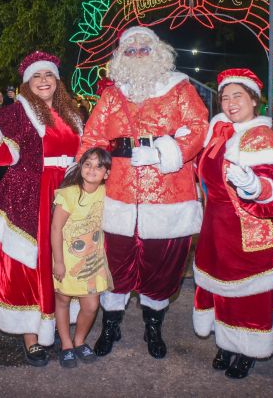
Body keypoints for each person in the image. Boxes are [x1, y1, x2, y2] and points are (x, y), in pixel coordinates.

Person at [79, 26, 209, 359]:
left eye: (144, 50)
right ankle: (111, 325)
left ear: (159, 52)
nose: (138, 56)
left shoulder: (180, 88)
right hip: (118, 194)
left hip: (169, 193)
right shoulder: (111, 95)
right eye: (131, 51)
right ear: (121, 56)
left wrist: (165, 153)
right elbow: (93, 136)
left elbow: (198, 127)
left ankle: (154, 327)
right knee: (114, 263)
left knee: (161, 265)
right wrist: (92, 172)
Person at [193, 68, 273, 379]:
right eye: (225, 97)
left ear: (253, 100)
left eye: (238, 96)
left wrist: (253, 186)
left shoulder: (263, 137)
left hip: (248, 225)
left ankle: (248, 348)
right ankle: (227, 342)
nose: (231, 103)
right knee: (219, 287)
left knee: (249, 291)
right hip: (215, 223)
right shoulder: (218, 129)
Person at [0, 50, 83, 366]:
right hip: (30, 194)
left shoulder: (72, 112)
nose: (44, 81)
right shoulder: (16, 112)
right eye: (37, 76)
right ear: (26, 83)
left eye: (48, 75)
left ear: (57, 80)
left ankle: (60, 329)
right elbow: (7, 157)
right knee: (28, 265)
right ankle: (31, 336)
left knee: (62, 262)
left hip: (68, 191)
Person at [51, 147, 113, 368]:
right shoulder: (68, 194)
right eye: (88, 164)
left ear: (106, 173)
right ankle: (66, 344)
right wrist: (58, 262)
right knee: (63, 300)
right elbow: (56, 229)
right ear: (80, 167)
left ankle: (79, 340)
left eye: (98, 166)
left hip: (93, 263)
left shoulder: (107, 193)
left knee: (91, 305)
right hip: (66, 260)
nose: (92, 169)